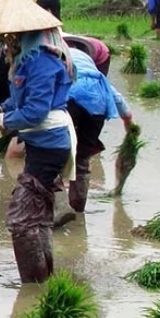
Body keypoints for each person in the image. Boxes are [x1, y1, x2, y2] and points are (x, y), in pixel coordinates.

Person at [0, 0, 75, 284]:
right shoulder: (26, 60)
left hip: (50, 143)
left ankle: (34, 288)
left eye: (8, 40)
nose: (4, 46)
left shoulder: (41, 62)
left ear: (18, 36)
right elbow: (16, 104)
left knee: (20, 220)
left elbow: (35, 113)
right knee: (39, 218)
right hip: (40, 144)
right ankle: (48, 278)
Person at [65, 46, 133, 214]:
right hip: (97, 102)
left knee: (53, 151)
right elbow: (124, 109)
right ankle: (77, 208)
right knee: (82, 158)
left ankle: (57, 205)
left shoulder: (52, 54)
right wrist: (130, 135)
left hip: (70, 94)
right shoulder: (98, 76)